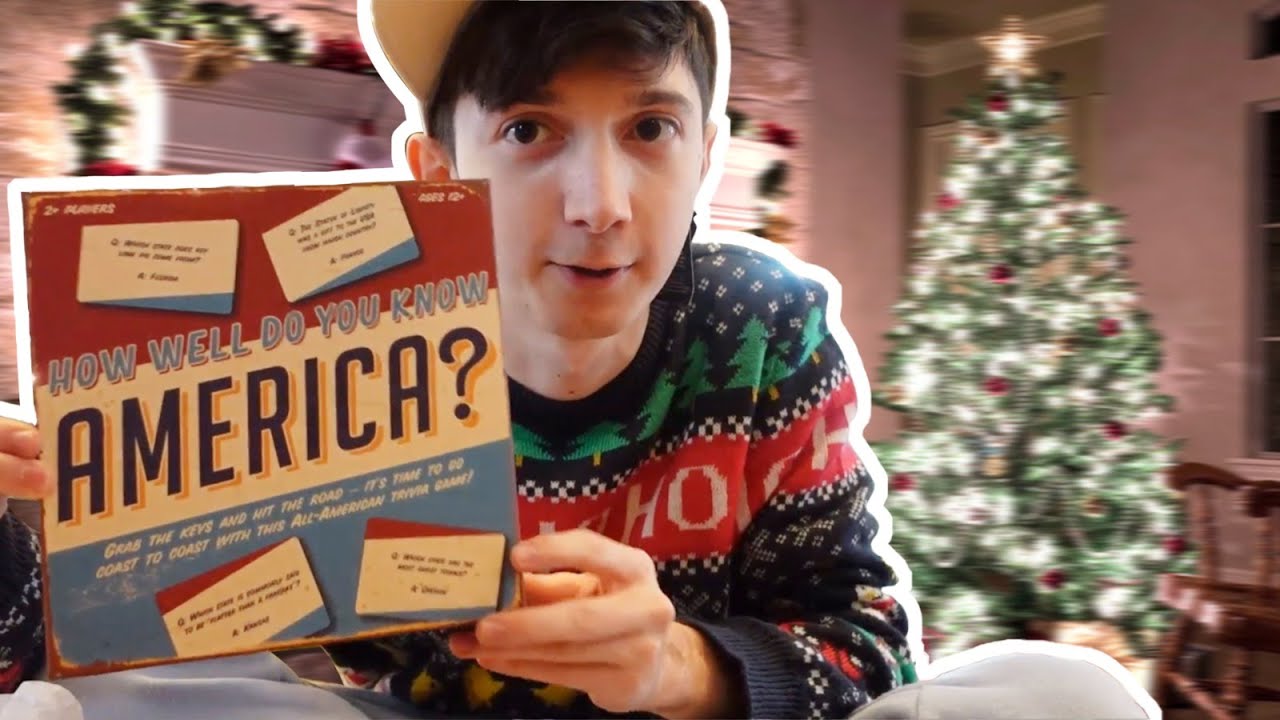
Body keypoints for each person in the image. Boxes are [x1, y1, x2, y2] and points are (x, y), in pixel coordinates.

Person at [0, 2, 1156, 719]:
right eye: (527, 130)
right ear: (432, 172)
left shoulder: (766, 327)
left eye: (648, 130)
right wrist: (45, 534)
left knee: (1072, 694)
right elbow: (107, 651)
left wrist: (678, 670)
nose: (598, 204)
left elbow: (870, 649)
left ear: (705, 158)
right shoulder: (341, 326)